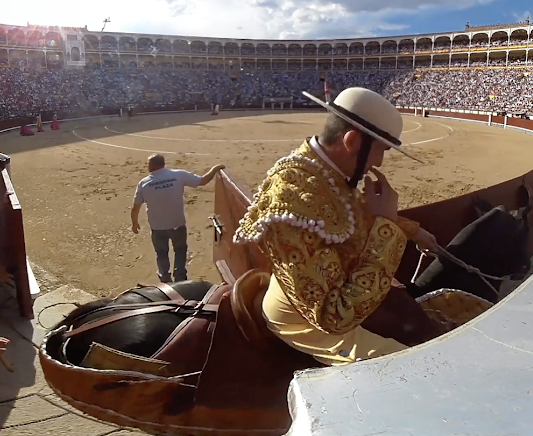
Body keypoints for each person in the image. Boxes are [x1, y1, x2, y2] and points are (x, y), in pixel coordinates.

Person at [233, 87, 442, 366]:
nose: (379, 162)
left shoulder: (323, 168)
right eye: (380, 150)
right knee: (411, 365)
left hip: (335, 284)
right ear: (353, 141)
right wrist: (388, 228)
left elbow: (346, 215)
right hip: (303, 321)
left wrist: (412, 230)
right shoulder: (291, 200)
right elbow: (333, 317)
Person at [130, 154, 225, 283]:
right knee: (180, 250)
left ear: (151, 166)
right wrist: (214, 169)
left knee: (161, 253)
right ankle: (180, 277)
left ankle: (165, 278)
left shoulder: (144, 183)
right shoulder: (178, 175)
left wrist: (134, 223)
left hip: (157, 226)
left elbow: (136, 206)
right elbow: (203, 180)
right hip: (177, 223)